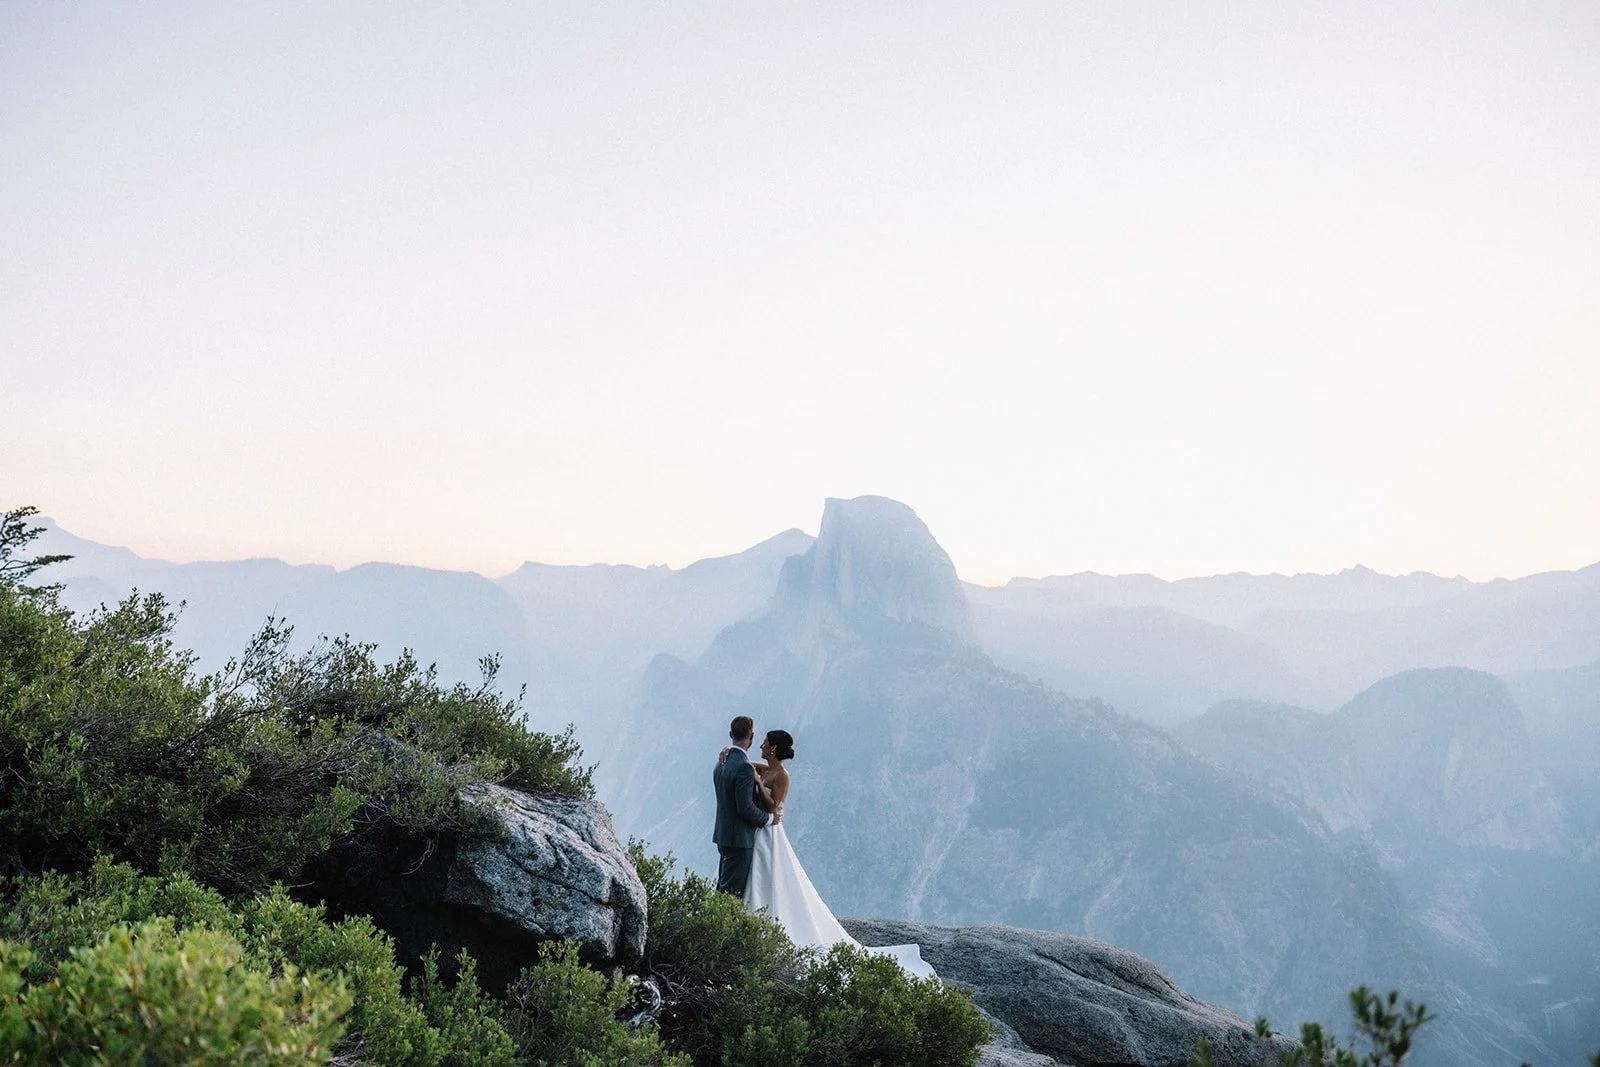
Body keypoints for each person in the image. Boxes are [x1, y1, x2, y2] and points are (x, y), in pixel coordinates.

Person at [738, 727, 936, 980]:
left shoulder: (782, 776)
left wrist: (757, 785)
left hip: (771, 831)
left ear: (773, 748)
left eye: (765, 744)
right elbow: (747, 763)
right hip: (762, 830)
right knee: (763, 873)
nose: (761, 747)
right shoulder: (768, 769)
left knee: (772, 872)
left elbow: (775, 806)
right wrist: (730, 753)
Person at [711, 715, 776, 897]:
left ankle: (710, 923)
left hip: (723, 835)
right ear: (752, 736)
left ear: (730, 733)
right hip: (739, 839)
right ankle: (718, 926)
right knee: (732, 894)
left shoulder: (721, 763)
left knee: (723, 887)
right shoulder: (744, 768)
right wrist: (769, 819)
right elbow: (745, 808)